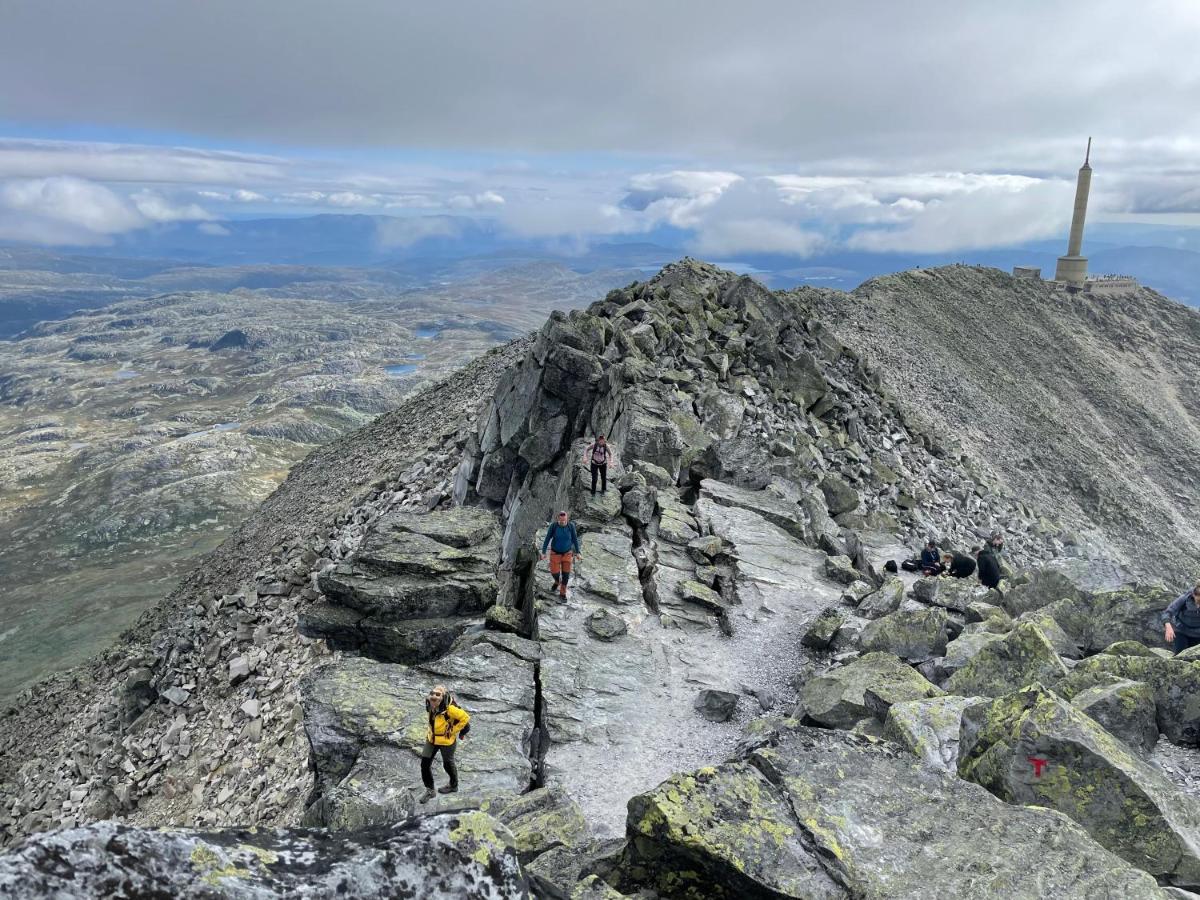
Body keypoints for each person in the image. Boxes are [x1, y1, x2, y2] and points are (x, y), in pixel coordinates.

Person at [419, 684, 470, 802]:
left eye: (436, 699)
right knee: (424, 765)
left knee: (448, 764)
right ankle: (430, 791)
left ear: (441, 698)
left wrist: (453, 731)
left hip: (447, 741)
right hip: (432, 738)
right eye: (432, 698)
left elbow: (465, 718)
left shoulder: (450, 709)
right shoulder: (429, 702)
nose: (433, 702)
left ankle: (453, 785)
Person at [540, 510, 581, 599]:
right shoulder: (554, 526)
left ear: (567, 519)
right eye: (561, 521)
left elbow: (575, 539)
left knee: (566, 575)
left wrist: (578, 552)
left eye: (564, 521)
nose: (563, 522)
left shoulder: (571, 526)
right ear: (558, 519)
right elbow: (547, 539)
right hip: (555, 554)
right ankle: (557, 581)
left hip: (567, 554)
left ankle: (562, 594)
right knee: (554, 573)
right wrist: (543, 552)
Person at [1162, 582, 1200, 653]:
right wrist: (1168, 626)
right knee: (1180, 655)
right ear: (1193, 595)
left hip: (1198, 634)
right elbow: (1167, 612)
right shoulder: (1185, 598)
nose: (1198, 605)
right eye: (1198, 601)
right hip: (1182, 631)